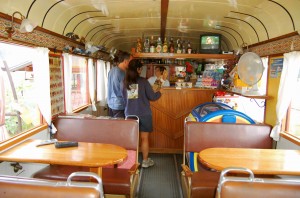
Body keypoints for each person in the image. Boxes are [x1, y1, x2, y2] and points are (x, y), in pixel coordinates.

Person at [123, 59, 161, 168]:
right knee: (144, 138)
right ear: (139, 69)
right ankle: (145, 161)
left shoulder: (125, 82)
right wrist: (159, 93)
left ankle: (131, 162)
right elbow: (152, 96)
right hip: (144, 114)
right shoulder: (143, 81)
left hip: (130, 114)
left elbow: (124, 98)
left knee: (131, 139)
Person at [107, 51, 132, 118]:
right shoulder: (122, 73)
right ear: (125, 61)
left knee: (113, 126)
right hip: (119, 105)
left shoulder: (111, 71)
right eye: (130, 61)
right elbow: (127, 90)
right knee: (120, 127)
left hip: (110, 104)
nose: (131, 64)